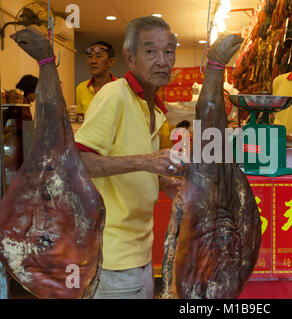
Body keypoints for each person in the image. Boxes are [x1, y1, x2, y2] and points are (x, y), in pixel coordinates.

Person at [74, 16, 183, 299]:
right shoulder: (114, 96)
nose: (162, 61)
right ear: (129, 57)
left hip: (140, 251)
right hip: (112, 256)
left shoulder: (155, 108)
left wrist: (160, 180)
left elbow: (123, 160)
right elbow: (78, 164)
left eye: (168, 51)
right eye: (150, 51)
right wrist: (146, 161)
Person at [75, 40, 117, 119]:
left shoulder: (122, 87)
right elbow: (81, 120)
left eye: (99, 56)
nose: (93, 61)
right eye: (90, 56)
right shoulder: (81, 88)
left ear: (111, 62)